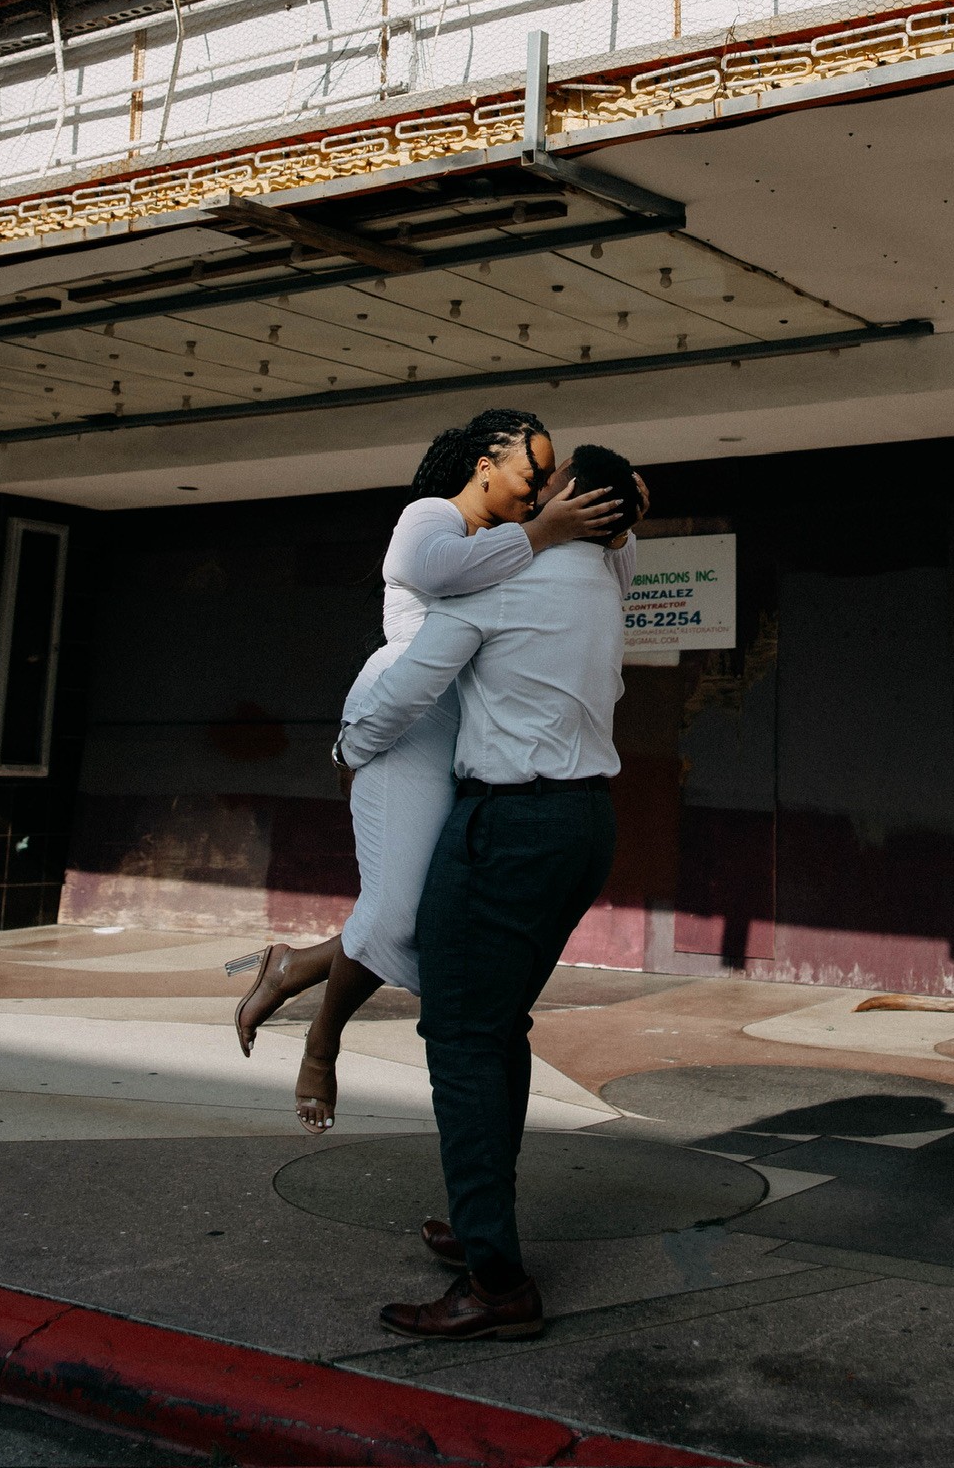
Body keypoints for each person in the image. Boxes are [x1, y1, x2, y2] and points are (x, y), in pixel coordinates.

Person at [226, 409, 635, 1128]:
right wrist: (546, 532)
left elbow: (604, 576)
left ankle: (295, 968)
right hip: (406, 724)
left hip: (468, 731)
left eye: (551, 477)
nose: (541, 489)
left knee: (433, 913)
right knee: (398, 914)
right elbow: (441, 574)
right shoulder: (431, 518)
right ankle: (322, 1043)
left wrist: (622, 527)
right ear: (485, 466)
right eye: (533, 473)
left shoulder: (525, 540)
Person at [336, 441, 644, 1342]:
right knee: (499, 1027)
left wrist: (350, 748)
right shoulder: (604, 584)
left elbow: (408, 689)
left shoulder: (503, 580)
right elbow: (616, 544)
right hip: (585, 826)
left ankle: (497, 1282)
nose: (535, 490)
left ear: (570, 499)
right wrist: (625, 519)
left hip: (507, 828)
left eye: (551, 481)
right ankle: (482, 1229)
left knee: (463, 1038)